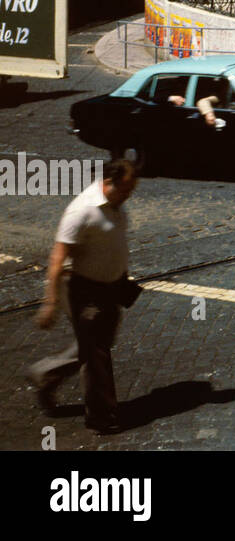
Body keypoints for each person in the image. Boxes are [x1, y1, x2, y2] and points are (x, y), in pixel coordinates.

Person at [27, 159, 140, 434]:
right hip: (85, 291)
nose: (128, 196)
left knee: (94, 346)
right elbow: (57, 258)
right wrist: (50, 302)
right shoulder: (82, 210)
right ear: (108, 182)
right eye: (125, 190)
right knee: (97, 354)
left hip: (112, 287)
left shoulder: (115, 204)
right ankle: (101, 416)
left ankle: (45, 374)